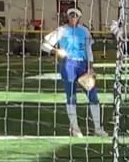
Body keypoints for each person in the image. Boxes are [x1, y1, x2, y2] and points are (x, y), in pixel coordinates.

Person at [41, 7, 104, 137]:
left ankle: (98, 128)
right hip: (68, 64)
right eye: (71, 15)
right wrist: (55, 51)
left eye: (76, 15)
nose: (73, 17)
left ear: (80, 17)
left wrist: (90, 67)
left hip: (83, 65)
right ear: (68, 16)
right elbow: (44, 45)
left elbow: (88, 50)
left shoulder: (84, 31)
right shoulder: (62, 30)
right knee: (71, 96)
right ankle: (75, 128)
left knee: (93, 96)